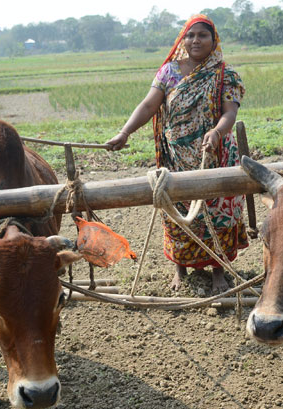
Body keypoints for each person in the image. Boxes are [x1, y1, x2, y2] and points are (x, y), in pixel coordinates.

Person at [106, 14, 248, 294]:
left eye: (202, 35)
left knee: (216, 212)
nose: (196, 40)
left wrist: (217, 133)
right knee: (176, 211)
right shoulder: (169, 72)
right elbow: (148, 106)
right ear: (183, 40)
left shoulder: (225, 75)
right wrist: (125, 132)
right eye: (190, 35)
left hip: (215, 155)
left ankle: (218, 270)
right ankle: (180, 270)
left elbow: (229, 113)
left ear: (213, 40)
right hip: (176, 157)